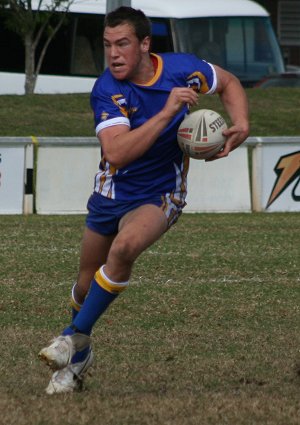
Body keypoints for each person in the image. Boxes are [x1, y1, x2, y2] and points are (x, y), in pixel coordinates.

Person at [38, 6, 249, 394]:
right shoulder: (107, 90)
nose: (113, 54)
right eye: (106, 45)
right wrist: (168, 110)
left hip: (160, 192)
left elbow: (230, 83)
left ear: (144, 44)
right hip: (112, 190)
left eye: (122, 44)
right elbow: (117, 153)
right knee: (85, 287)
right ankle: (79, 356)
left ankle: (71, 339)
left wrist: (242, 123)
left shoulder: (182, 69)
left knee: (125, 248)